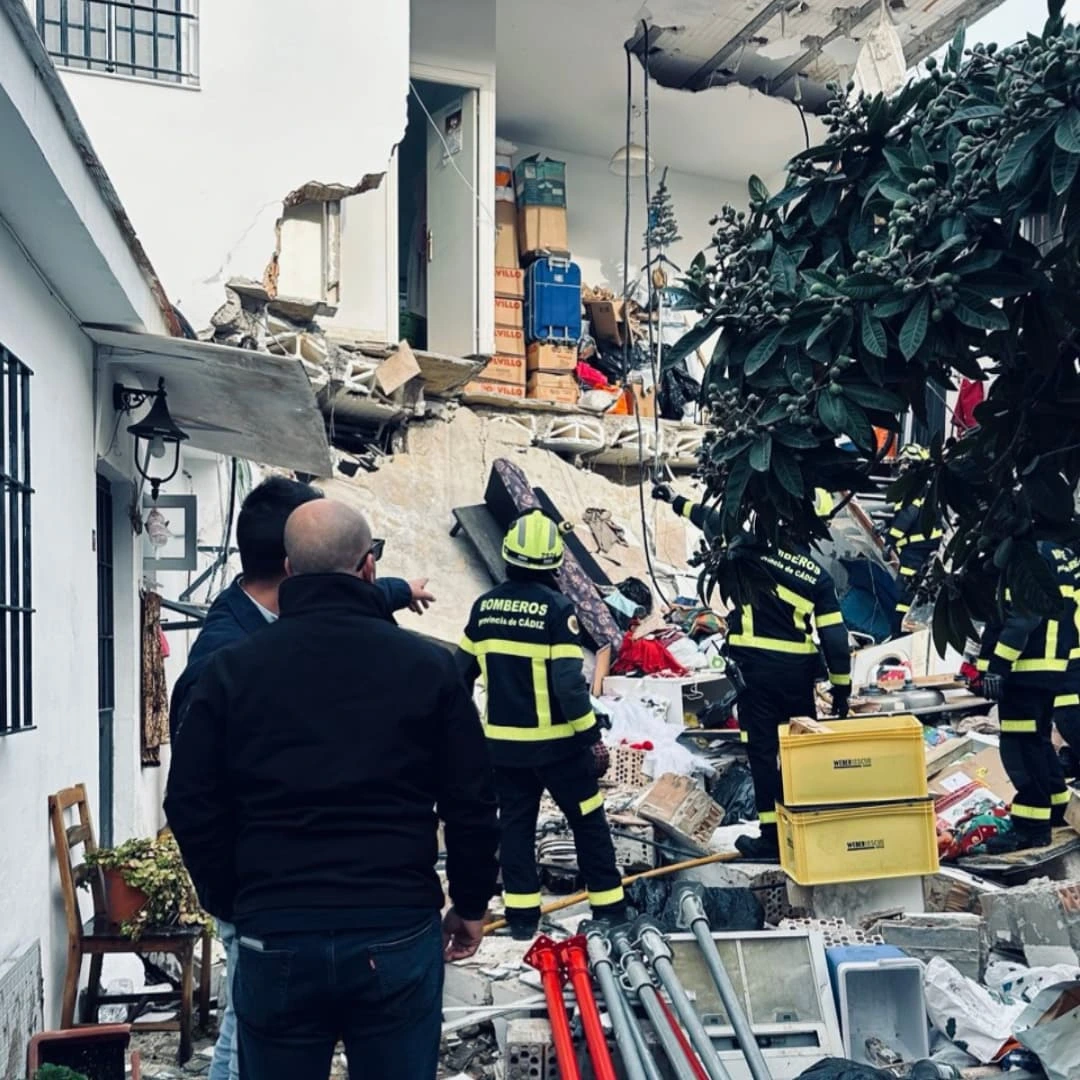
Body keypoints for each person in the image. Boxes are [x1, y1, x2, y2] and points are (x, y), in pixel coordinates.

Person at [165, 499, 498, 1080]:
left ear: (290, 572)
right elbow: (472, 801)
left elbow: (190, 801)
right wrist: (469, 904)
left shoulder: (231, 671)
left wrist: (233, 899)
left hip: (277, 935)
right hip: (396, 932)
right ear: (369, 568)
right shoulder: (431, 669)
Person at [653, 484, 851, 860]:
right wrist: (841, 689)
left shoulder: (747, 546)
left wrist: (674, 500)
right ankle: (804, 831)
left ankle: (771, 838)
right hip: (796, 675)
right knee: (797, 754)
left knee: (761, 752)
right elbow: (836, 640)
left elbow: (710, 519)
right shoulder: (816, 577)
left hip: (753, 674)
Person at [457, 510, 626, 940]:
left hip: (505, 750)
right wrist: (592, 739)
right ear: (554, 564)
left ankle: (522, 918)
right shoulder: (557, 609)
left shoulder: (485, 607)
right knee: (588, 819)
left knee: (516, 825)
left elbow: (459, 673)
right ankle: (608, 908)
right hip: (558, 748)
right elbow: (569, 687)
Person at [977, 540, 1079, 852]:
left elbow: (1021, 619)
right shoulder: (1063, 554)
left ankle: (1030, 826)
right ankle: (1057, 809)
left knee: (1020, 748)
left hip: (1026, 666)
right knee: (1038, 741)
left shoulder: (1027, 555)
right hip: (1053, 665)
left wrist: (996, 668)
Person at [884, 445, 943, 637]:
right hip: (928, 548)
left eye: (905, 464)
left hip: (915, 552)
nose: (901, 469)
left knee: (902, 594)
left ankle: (899, 635)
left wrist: (891, 539)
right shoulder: (928, 487)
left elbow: (908, 515)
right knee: (916, 592)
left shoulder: (910, 488)